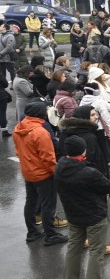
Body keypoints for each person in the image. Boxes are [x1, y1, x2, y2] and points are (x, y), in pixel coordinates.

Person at [56, 135, 110, 279]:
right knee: (97, 251)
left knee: (73, 249)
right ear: (83, 151)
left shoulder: (60, 167)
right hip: (94, 215)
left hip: (73, 215)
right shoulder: (88, 172)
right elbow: (107, 186)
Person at [14, 101, 67, 245]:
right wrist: (55, 173)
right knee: (48, 204)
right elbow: (48, 158)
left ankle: (32, 232)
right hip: (43, 174)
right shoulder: (41, 132)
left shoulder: (19, 128)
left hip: (28, 172)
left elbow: (18, 152)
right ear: (41, 114)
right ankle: (50, 235)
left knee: (30, 202)